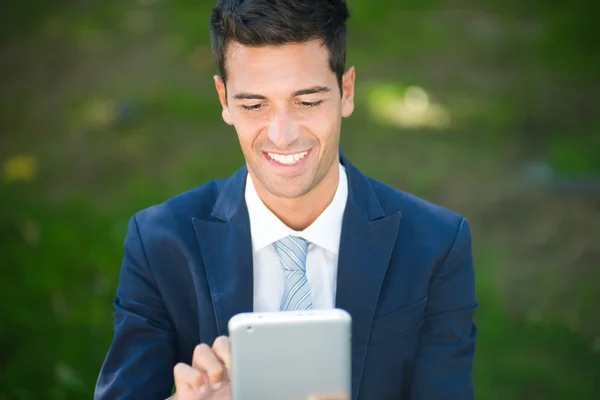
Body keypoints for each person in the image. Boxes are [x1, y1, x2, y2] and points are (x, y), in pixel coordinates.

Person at [94, 0, 478, 399]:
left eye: (307, 101)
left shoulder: (436, 244)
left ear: (346, 92)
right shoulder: (159, 244)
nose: (282, 135)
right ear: (223, 99)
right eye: (254, 104)